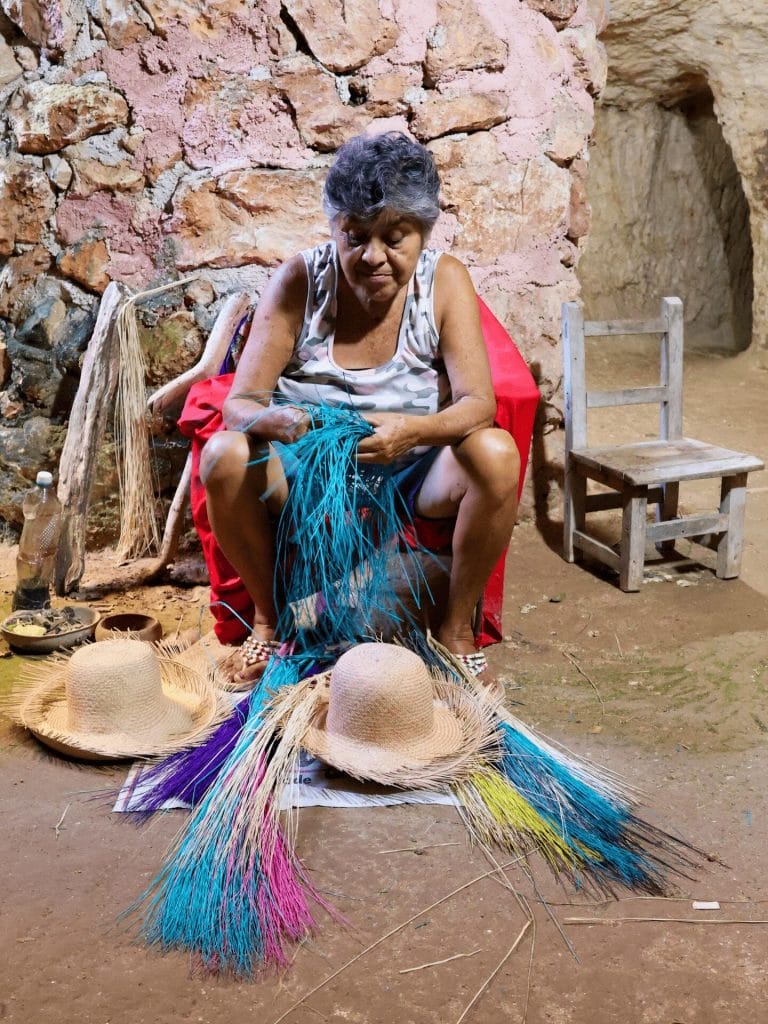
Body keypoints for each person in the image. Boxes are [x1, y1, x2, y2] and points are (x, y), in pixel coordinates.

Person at [199, 132, 520, 687]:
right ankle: (270, 623)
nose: (372, 257)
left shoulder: (444, 281)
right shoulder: (301, 280)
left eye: (394, 239)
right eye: (354, 237)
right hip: (308, 471)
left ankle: (455, 632)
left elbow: (478, 404)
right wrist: (279, 421)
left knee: (496, 453)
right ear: (334, 228)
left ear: (423, 233)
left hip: (412, 471)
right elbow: (240, 405)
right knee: (224, 455)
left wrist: (413, 431)